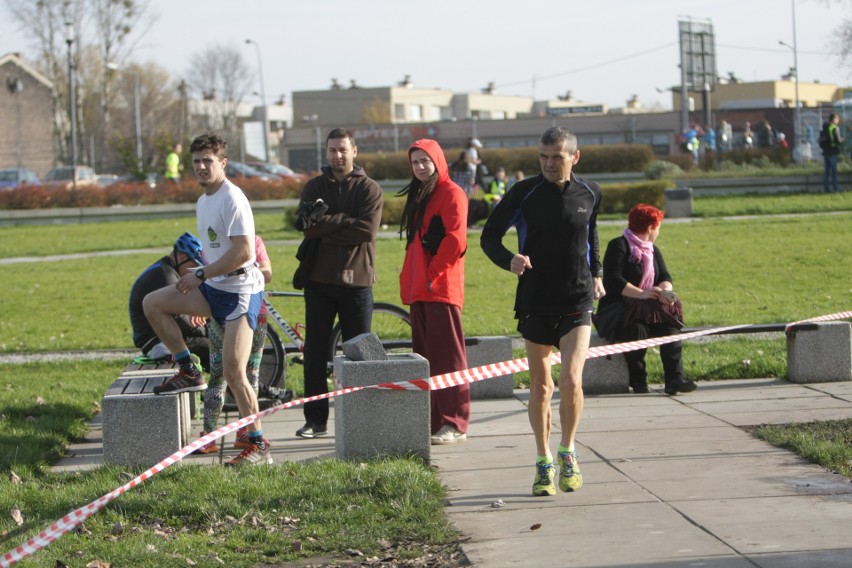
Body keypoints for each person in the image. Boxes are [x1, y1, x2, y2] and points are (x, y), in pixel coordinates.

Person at [481, 126, 605, 497]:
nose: (550, 164)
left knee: (570, 381)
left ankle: (568, 450)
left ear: (574, 157)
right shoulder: (523, 192)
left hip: (577, 299)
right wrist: (510, 260)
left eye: (557, 157)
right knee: (541, 387)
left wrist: (596, 273)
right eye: (544, 157)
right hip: (535, 299)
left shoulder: (590, 192)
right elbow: (489, 237)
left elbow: (591, 233)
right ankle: (543, 460)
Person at [142, 132, 270, 466]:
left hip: (242, 293)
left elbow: (243, 252)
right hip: (215, 288)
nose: (201, 166)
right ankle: (188, 368)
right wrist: (202, 274)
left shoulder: (233, 198)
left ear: (222, 163)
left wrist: (200, 274)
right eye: (196, 161)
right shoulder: (203, 201)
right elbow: (217, 249)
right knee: (153, 304)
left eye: (207, 161)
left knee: (233, 371)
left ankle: (257, 445)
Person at [295, 128, 383, 439]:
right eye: (332, 150)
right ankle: (315, 420)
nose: (337, 155)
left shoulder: (369, 189)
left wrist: (327, 223)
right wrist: (346, 220)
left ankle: (364, 421)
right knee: (315, 354)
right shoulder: (314, 187)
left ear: (354, 151)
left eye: (343, 150)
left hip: (357, 283)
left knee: (361, 354)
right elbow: (306, 228)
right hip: (318, 282)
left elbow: (366, 232)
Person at [398, 139, 470, 445]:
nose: (420, 167)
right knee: (426, 359)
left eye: (425, 161)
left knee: (448, 360)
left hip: (440, 290)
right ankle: (435, 422)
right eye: (415, 162)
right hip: (422, 291)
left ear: (438, 161)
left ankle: (454, 422)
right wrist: (412, 280)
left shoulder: (451, 193)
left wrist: (431, 275)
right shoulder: (421, 195)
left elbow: (455, 241)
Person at [594, 204, 697, 396]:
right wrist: (641, 293)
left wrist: (665, 291)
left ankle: (675, 379)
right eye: (658, 227)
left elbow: (665, 276)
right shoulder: (619, 246)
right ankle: (638, 380)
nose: (658, 231)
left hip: (650, 309)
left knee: (671, 329)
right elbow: (614, 280)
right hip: (620, 310)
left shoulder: (653, 250)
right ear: (650, 227)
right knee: (636, 330)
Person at [194, 235, 272, 455]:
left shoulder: (249, 241)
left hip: (252, 314)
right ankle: (213, 435)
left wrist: (246, 272)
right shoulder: (221, 242)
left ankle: (243, 434)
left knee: (247, 375)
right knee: (221, 375)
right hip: (226, 313)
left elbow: (267, 273)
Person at [128, 232, 210, 369]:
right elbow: (180, 320)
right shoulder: (165, 276)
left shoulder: (166, 270)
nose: (195, 273)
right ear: (183, 258)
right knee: (217, 352)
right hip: (157, 342)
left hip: (163, 336)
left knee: (217, 347)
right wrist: (207, 330)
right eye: (194, 267)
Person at [820, 113, 843, 193]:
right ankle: (835, 188)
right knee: (834, 171)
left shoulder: (824, 127)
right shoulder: (834, 128)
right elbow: (837, 140)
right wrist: (842, 140)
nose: (838, 121)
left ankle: (826, 188)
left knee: (826, 171)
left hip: (825, 151)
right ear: (834, 119)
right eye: (837, 119)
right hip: (832, 151)